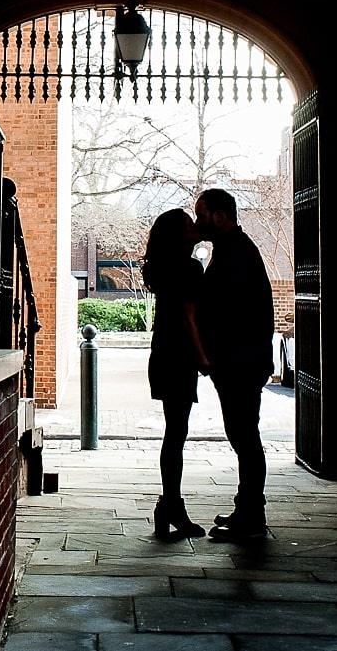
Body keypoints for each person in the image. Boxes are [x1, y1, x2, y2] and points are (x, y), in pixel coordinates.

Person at [193, 188, 275, 541]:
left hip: (240, 362)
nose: (199, 222)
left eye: (202, 214)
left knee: (245, 437)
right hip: (239, 361)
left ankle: (252, 517)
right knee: (243, 436)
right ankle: (247, 508)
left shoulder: (237, 255)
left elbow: (233, 313)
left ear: (221, 215)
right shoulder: (232, 250)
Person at [141, 208, 212, 540]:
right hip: (180, 355)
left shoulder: (165, 267)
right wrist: (203, 358)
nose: (195, 226)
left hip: (163, 353)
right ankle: (171, 506)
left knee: (175, 433)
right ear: (179, 234)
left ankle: (169, 505)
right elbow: (189, 316)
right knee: (176, 434)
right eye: (189, 224)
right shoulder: (189, 268)